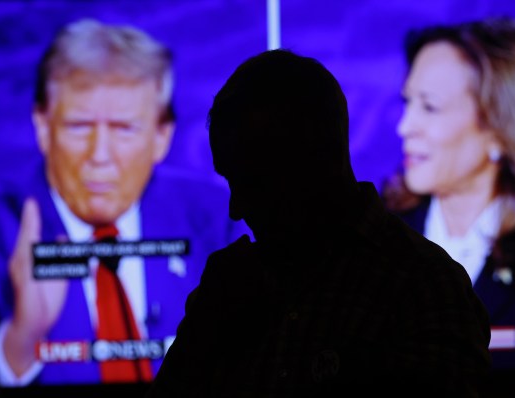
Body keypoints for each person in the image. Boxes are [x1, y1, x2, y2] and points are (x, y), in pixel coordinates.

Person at [145, 48, 491, 398]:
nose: (235, 209)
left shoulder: (424, 286)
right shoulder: (229, 285)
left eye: (250, 181)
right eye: (230, 181)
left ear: (318, 158)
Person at [0, 18, 248, 387]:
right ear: (42, 126)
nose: (100, 156)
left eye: (123, 128)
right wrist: (21, 340)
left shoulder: (216, 219)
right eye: (79, 126)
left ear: (162, 136)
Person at [381, 16, 515, 397]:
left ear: (501, 126)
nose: (405, 127)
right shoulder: (376, 240)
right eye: (408, 102)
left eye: (430, 107)